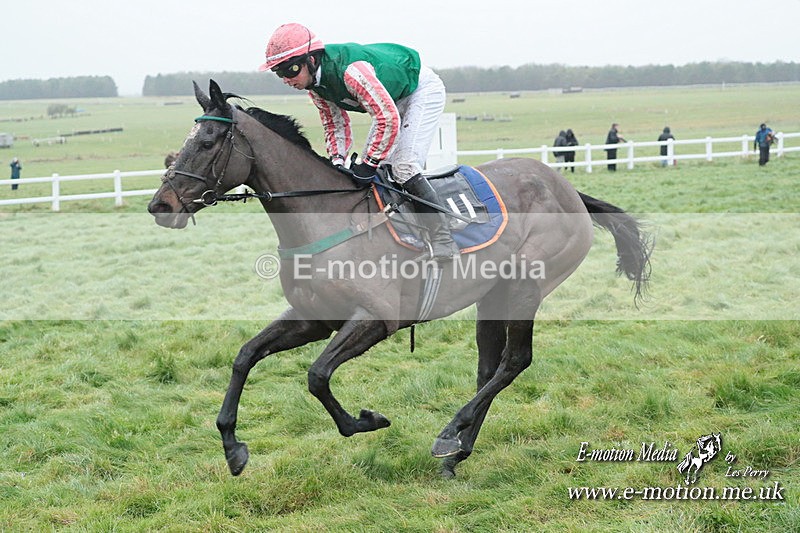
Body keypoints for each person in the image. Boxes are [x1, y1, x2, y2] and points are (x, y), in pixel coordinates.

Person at [259, 23, 458, 261]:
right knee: (374, 171)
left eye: (290, 70)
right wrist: (337, 162)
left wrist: (370, 162)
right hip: (390, 99)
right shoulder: (315, 88)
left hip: (419, 90)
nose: (286, 79)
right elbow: (335, 125)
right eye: (279, 73)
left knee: (403, 167)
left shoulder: (351, 72)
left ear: (311, 60)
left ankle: (443, 238)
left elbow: (386, 118)